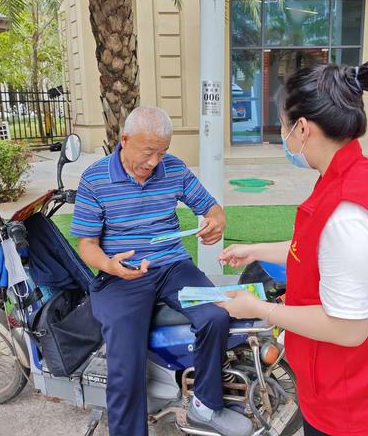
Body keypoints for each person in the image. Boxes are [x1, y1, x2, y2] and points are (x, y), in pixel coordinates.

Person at [218, 60, 368, 436]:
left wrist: (259, 309)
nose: (284, 137)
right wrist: (257, 250)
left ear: (303, 128)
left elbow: (348, 328)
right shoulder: (350, 176)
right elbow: (318, 248)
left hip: (350, 406)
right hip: (340, 389)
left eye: (285, 127)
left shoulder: (348, 211)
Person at [70, 107, 252, 436]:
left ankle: (207, 407)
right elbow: (87, 245)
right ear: (124, 140)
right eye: (148, 151)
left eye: (162, 151)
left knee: (216, 314)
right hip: (120, 273)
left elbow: (210, 206)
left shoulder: (173, 169)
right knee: (126, 363)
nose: (155, 161)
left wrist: (216, 219)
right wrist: (110, 265)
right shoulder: (95, 178)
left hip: (172, 266)